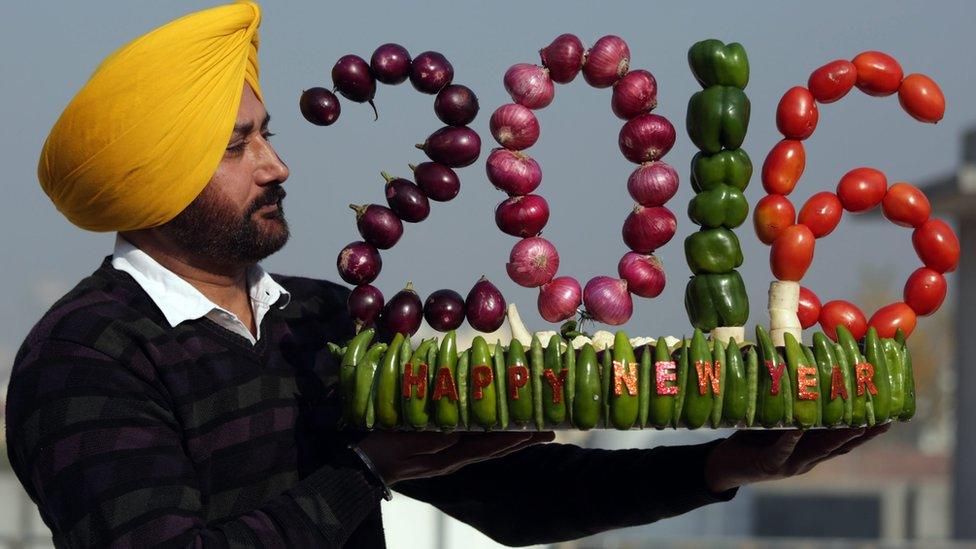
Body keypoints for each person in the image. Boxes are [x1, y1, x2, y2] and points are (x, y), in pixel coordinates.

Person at [5, 2, 887, 547]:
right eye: (239, 147)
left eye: (268, 133)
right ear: (152, 182)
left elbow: (508, 498)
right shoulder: (85, 355)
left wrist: (722, 466)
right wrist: (366, 469)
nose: (276, 166)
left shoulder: (322, 322)